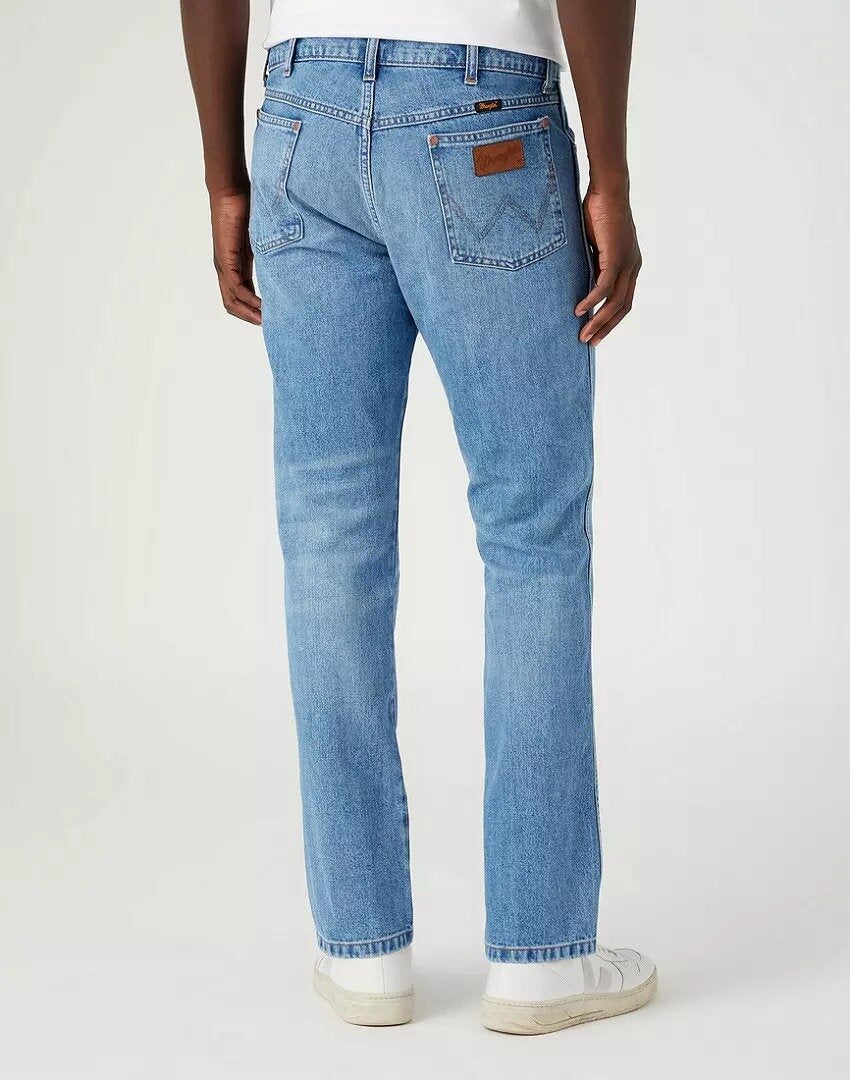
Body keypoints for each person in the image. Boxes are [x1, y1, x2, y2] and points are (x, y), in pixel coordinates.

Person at [180, 0, 655, 1035]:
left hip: (299, 115)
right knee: (532, 535)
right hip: (482, 107)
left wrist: (224, 178)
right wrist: (610, 173)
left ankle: (361, 954)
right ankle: (542, 959)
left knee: (328, 534)